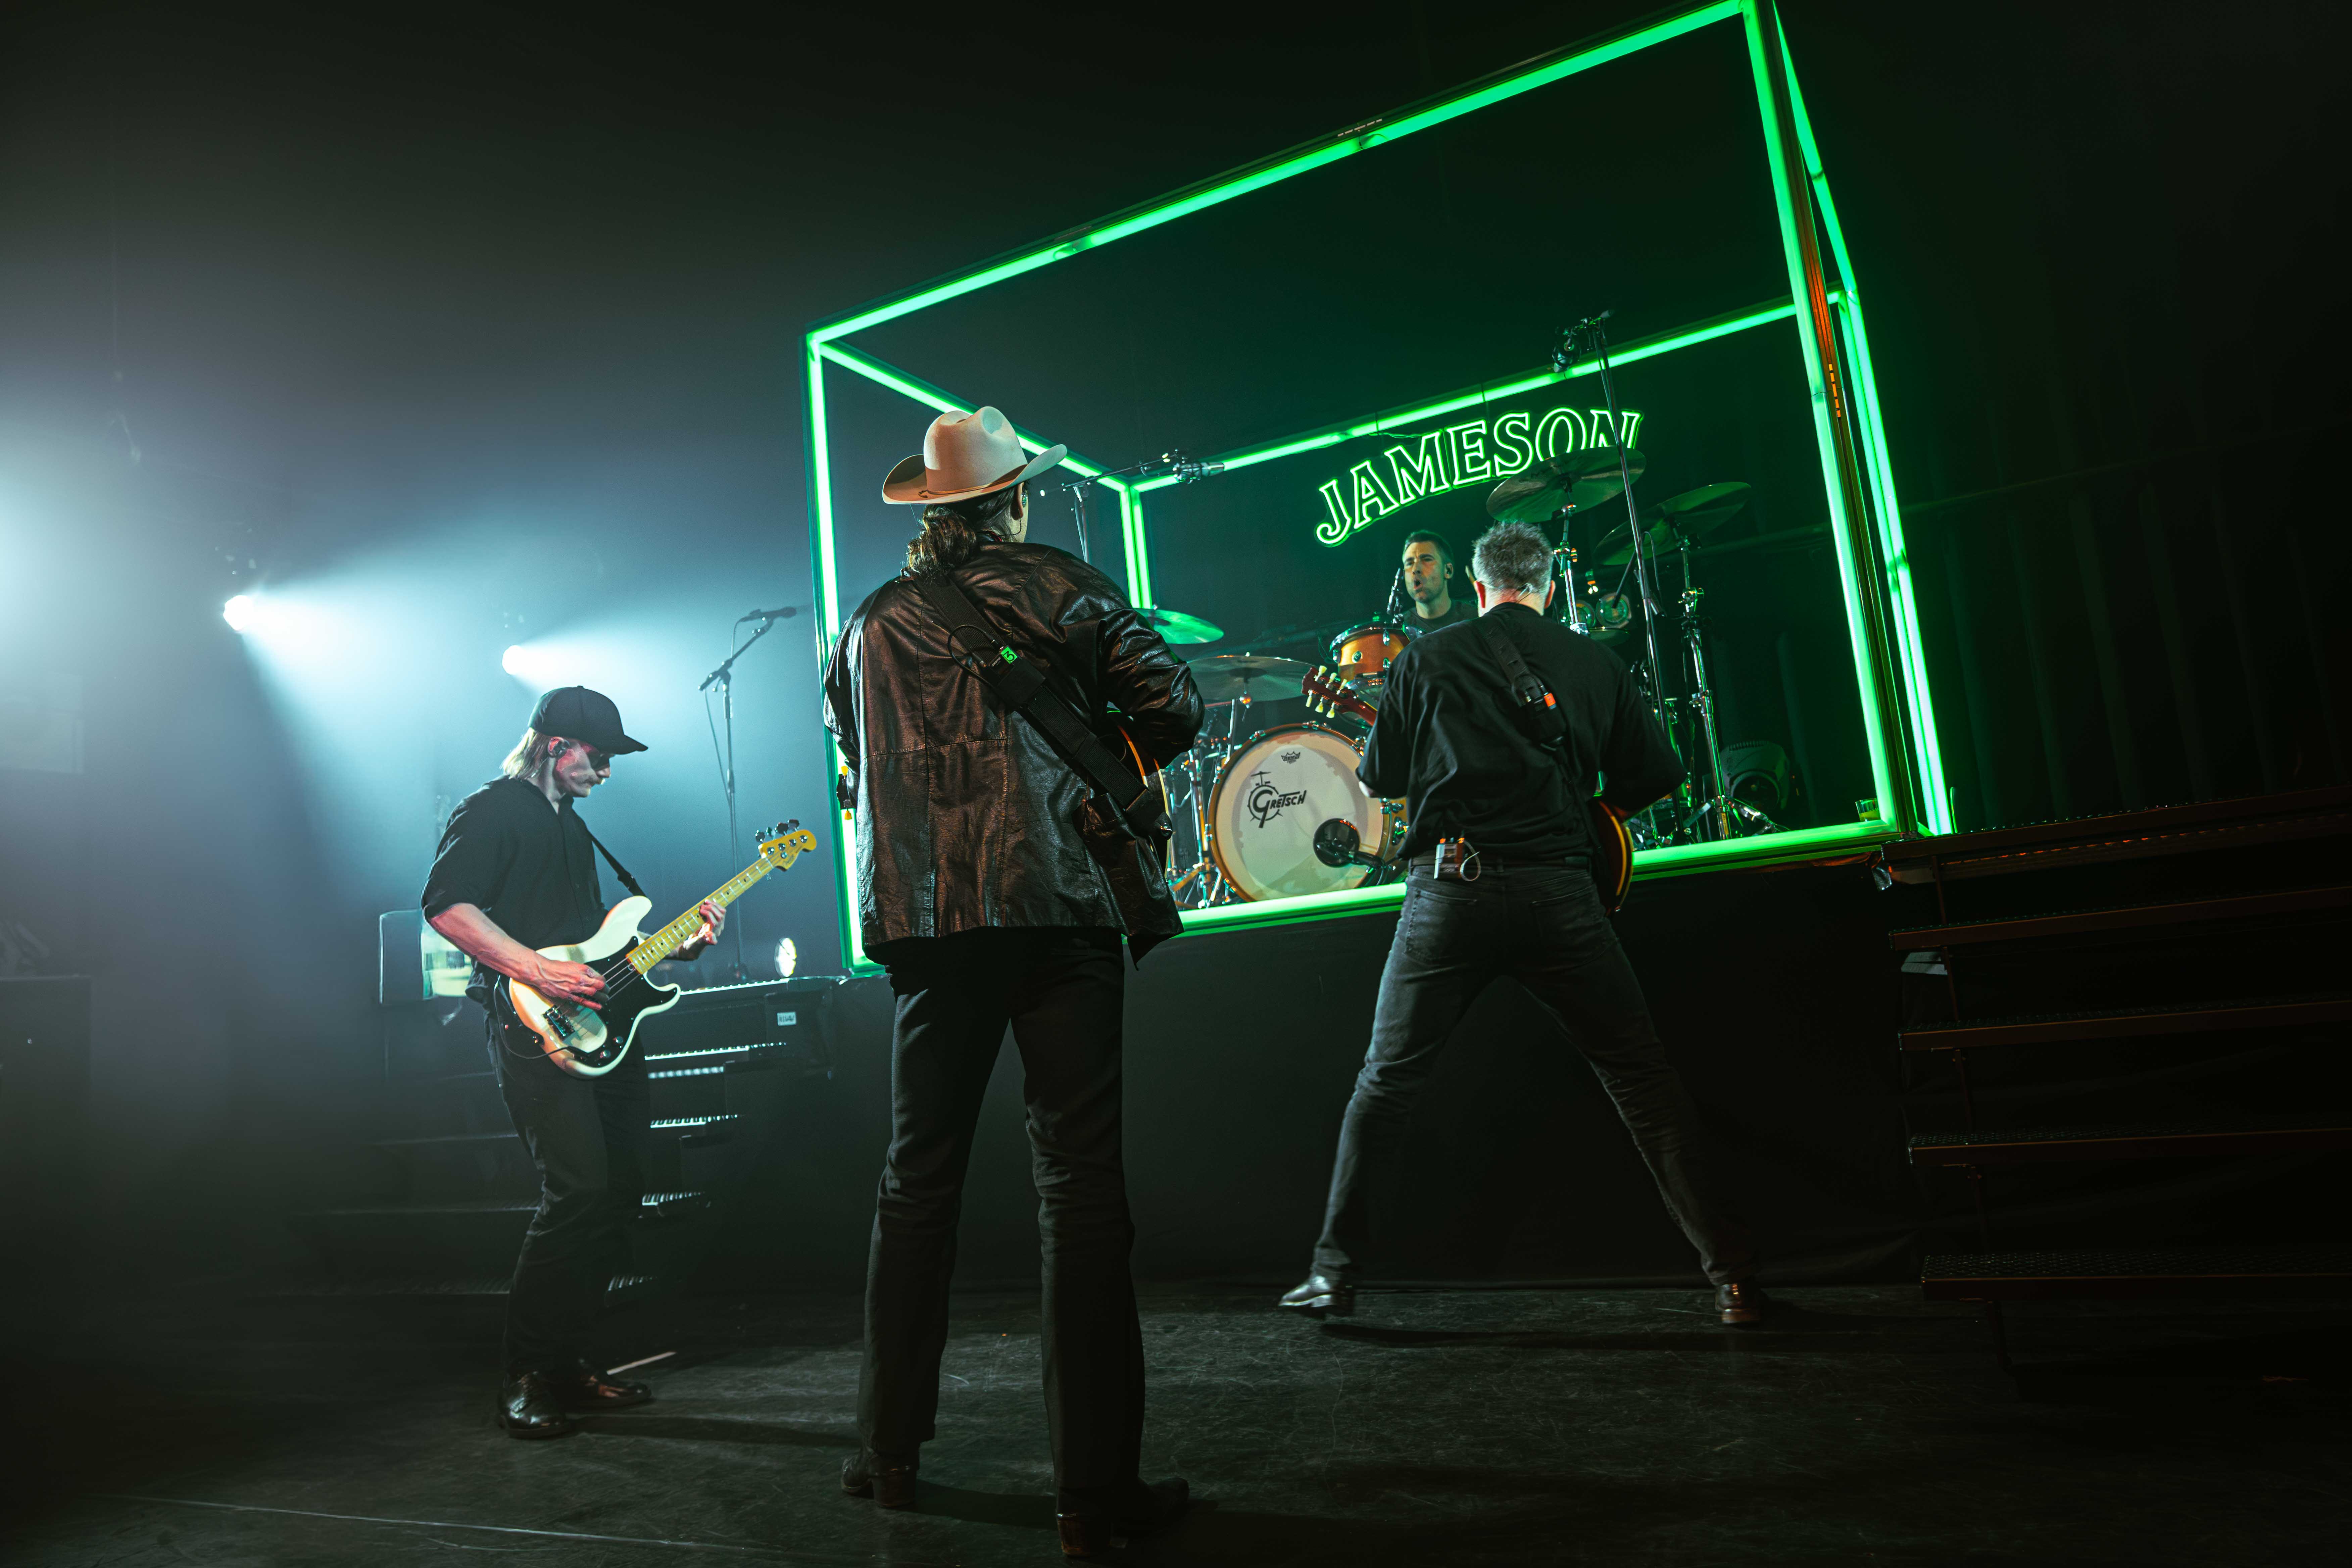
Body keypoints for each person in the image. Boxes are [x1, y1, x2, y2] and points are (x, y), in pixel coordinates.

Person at [823, 406, 1206, 1553]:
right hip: (1058, 908)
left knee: (915, 1185)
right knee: (1077, 1187)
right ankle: (1093, 1492)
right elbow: (1175, 706)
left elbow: (851, 763)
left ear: (932, 512)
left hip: (928, 924)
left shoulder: (866, 623)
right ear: (1014, 499)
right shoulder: (1061, 585)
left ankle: (889, 1455)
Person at [1280, 521, 1768, 1326]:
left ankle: (1334, 1277)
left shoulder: (1426, 659)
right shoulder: (1596, 662)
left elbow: (1381, 776)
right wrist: (1591, 811)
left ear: (1477, 587)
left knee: (1387, 1083)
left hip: (1450, 891)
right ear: (1543, 586)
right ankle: (1737, 1281)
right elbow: (1659, 773)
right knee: (1644, 1082)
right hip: (1562, 893)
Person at [423, 685, 724, 1439]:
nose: (607, 771)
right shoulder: (491, 810)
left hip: (604, 1026)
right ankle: (525, 1374)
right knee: (578, 1189)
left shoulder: (576, 829)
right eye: (599, 755)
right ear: (556, 746)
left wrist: (678, 948)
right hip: (533, 1024)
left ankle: (567, 1363)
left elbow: (596, 946)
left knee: (621, 1188)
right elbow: (447, 906)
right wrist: (537, 970)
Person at [1395, 529, 1479, 640]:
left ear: (1448, 571)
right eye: (1409, 563)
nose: (1415, 569)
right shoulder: (1398, 631)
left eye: (1427, 560)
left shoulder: (1476, 619)